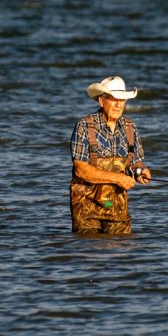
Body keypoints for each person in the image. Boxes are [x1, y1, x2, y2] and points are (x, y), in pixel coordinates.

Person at [69, 76, 151, 235]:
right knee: (89, 252)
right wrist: (118, 178)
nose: (118, 104)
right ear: (101, 101)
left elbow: (135, 162)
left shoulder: (130, 127)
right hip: (86, 207)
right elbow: (81, 170)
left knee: (122, 252)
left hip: (116, 206)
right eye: (114, 99)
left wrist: (140, 170)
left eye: (122, 100)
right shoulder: (84, 126)